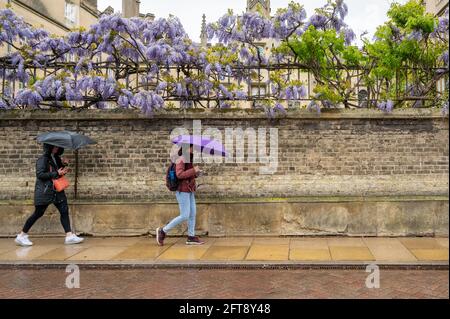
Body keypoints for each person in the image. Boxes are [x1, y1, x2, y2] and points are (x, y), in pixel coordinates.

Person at [14, 143, 84, 246]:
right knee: (38, 213)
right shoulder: (43, 159)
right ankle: (21, 235)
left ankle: (69, 236)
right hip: (46, 191)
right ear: (49, 147)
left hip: (56, 190)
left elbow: (58, 172)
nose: (56, 148)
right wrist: (57, 173)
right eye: (54, 146)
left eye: (57, 146)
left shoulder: (56, 158)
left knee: (64, 210)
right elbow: (40, 174)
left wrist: (64, 166)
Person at [157, 144, 204, 246]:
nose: (194, 150)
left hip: (189, 190)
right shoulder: (181, 159)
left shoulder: (188, 159)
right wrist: (193, 170)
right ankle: (163, 231)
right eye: (192, 148)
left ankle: (191, 237)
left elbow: (188, 174)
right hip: (182, 191)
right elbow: (179, 174)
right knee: (185, 215)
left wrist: (196, 173)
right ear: (187, 148)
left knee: (192, 214)